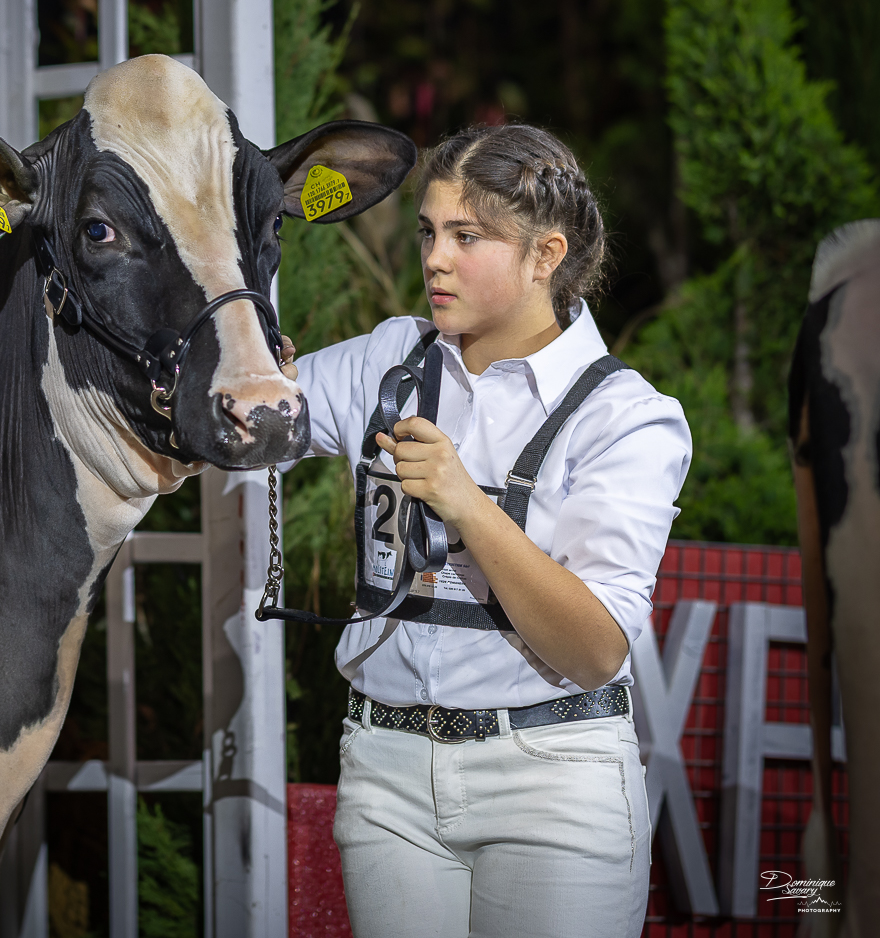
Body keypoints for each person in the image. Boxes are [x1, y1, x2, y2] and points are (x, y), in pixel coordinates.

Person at [278, 124, 691, 938]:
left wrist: (466, 504)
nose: (435, 259)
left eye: (468, 237)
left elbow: (595, 650)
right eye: (429, 231)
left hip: (553, 780)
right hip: (386, 774)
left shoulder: (626, 417)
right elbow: (245, 425)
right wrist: (245, 372)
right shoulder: (389, 358)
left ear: (545, 255)